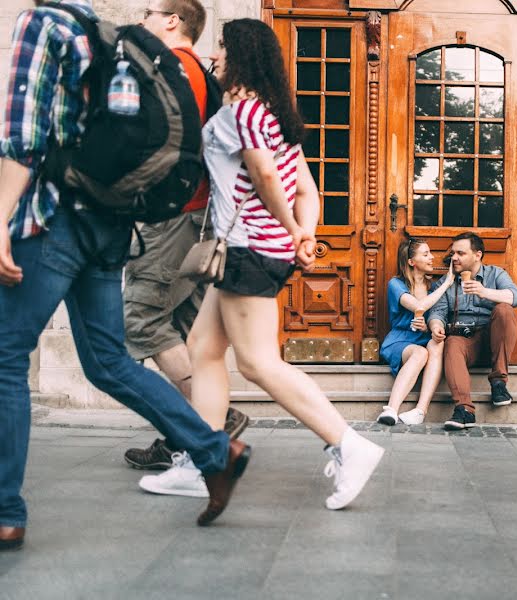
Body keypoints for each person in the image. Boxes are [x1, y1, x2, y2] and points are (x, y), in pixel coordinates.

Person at [0, 0, 251, 551]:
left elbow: (24, 135)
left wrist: (1, 218)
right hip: (112, 224)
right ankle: (214, 452)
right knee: (108, 359)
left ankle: (5, 511)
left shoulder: (43, 23)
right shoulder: (111, 37)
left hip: (54, 217)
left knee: (6, 355)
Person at [141, 19, 384, 509]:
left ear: (244, 55)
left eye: (224, 47)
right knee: (203, 349)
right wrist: (304, 232)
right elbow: (307, 190)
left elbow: (268, 175)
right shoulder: (274, 113)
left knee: (256, 362)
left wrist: (295, 231)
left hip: (250, 250)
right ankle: (203, 459)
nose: (216, 54)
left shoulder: (246, 112)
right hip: (256, 249)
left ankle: (349, 445)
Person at [122, 0, 249, 475]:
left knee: (141, 318)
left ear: (172, 20)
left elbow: (158, 142)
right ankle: (187, 434)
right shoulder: (195, 69)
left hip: (176, 216)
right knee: (186, 330)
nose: (142, 18)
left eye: (149, 10)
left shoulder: (173, 67)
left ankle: (207, 425)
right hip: (197, 217)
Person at [427, 232, 517, 431]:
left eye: (460, 253)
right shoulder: (446, 281)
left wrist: (483, 291)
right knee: (452, 342)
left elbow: (516, 297)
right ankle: (464, 410)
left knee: (504, 310)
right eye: (453, 253)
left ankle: (498, 383)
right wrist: (435, 326)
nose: (454, 258)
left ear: (477, 255)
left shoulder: (495, 274)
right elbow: (437, 312)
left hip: (492, 341)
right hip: (464, 342)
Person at [376, 238, 453, 426]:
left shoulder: (431, 287)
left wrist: (427, 328)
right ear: (411, 262)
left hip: (423, 338)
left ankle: (420, 410)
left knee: (437, 343)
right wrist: (447, 283)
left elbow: (433, 316)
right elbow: (418, 307)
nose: (432, 257)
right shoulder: (396, 284)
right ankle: (391, 410)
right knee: (420, 352)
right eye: (425, 254)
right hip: (400, 340)